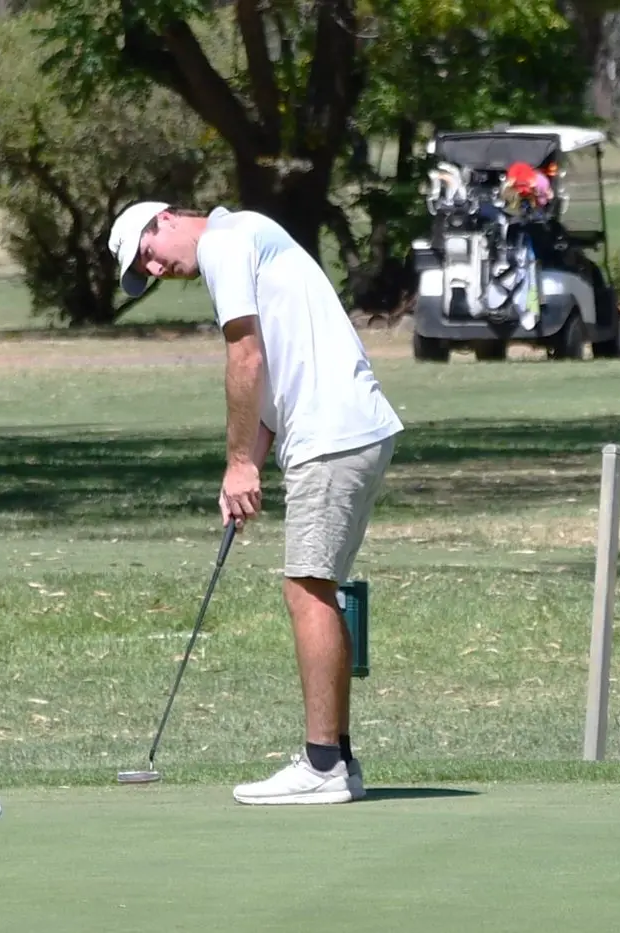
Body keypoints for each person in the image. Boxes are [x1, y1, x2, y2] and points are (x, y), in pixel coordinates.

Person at [108, 201, 404, 805]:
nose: (156, 270)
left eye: (147, 255)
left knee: (307, 588)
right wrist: (245, 469)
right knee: (315, 586)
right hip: (345, 430)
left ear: (164, 219)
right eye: (144, 272)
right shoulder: (244, 240)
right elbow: (267, 377)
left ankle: (322, 764)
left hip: (332, 432)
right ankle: (337, 760)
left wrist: (240, 462)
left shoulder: (225, 241)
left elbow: (245, 358)